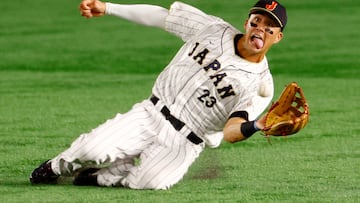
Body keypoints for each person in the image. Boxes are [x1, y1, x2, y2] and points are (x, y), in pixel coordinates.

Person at [30, 0, 287, 190]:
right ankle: (54, 167)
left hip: (186, 142)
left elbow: (232, 132)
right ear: (247, 23)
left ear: (278, 37)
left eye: (269, 27)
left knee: (150, 181)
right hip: (150, 113)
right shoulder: (213, 29)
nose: (260, 29)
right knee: (90, 149)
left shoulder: (260, 84)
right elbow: (162, 17)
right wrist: (108, 7)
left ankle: (100, 176)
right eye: (257, 21)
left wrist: (257, 125)